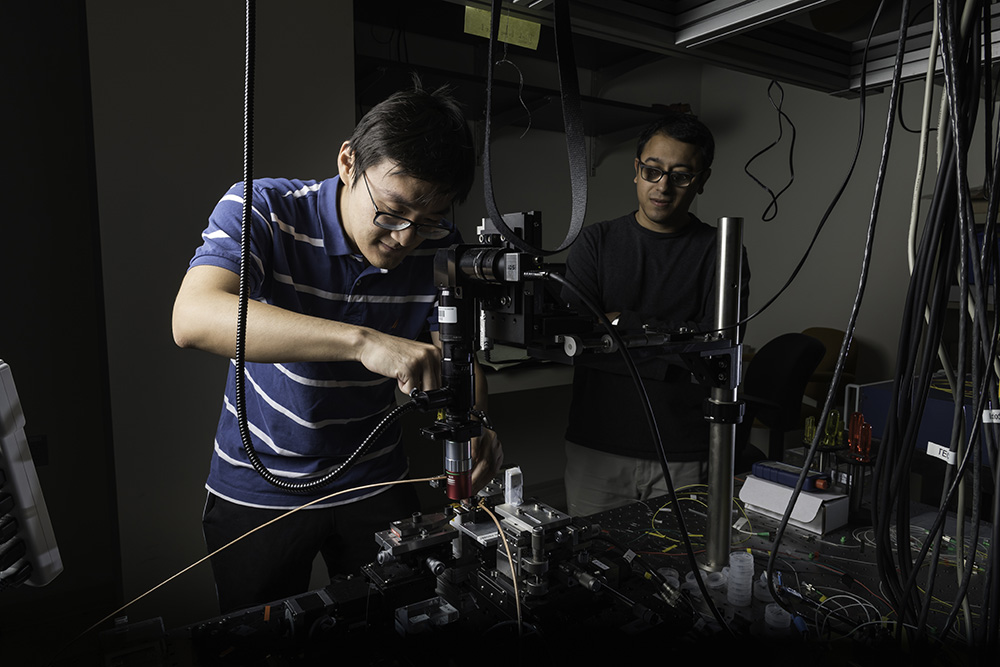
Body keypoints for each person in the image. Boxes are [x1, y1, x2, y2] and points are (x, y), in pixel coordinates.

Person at [172, 83, 502, 613]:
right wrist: (362, 342)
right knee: (257, 641)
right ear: (349, 162)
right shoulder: (263, 208)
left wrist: (478, 419)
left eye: (429, 220)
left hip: (376, 481)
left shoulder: (440, 245)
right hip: (260, 489)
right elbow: (193, 317)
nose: (405, 239)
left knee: (400, 624)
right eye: (392, 213)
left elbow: (455, 358)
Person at [560, 111, 749, 517]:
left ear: (702, 180)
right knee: (595, 569)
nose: (663, 186)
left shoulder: (722, 253)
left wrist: (621, 327)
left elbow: (718, 351)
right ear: (637, 170)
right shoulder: (595, 242)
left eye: (681, 175)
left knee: (686, 572)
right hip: (599, 445)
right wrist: (678, 346)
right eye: (653, 171)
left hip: (685, 448)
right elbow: (577, 341)